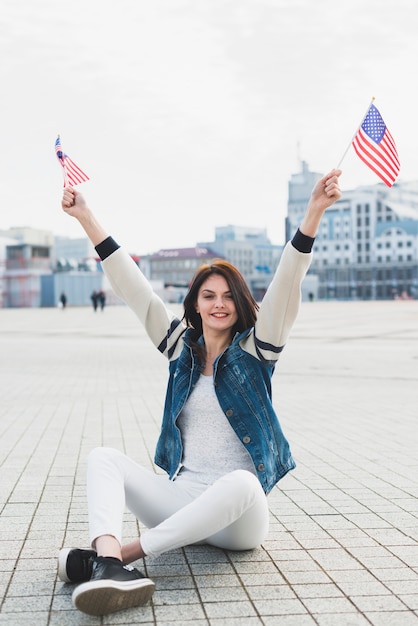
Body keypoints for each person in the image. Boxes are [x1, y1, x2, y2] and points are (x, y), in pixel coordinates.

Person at [57, 169, 342, 616]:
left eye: (228, 296)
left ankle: (115, 560)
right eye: (208, 296)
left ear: (241, 301)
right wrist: (86, 217)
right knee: (102, 457)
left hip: (238, 519)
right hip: (181, 502)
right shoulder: (180, 351)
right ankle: (107, 557)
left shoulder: (257, 350)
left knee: (244, 481)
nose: (219, 304)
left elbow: (288, 282)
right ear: (195, 304)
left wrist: (312, 215)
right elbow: (136, 291)